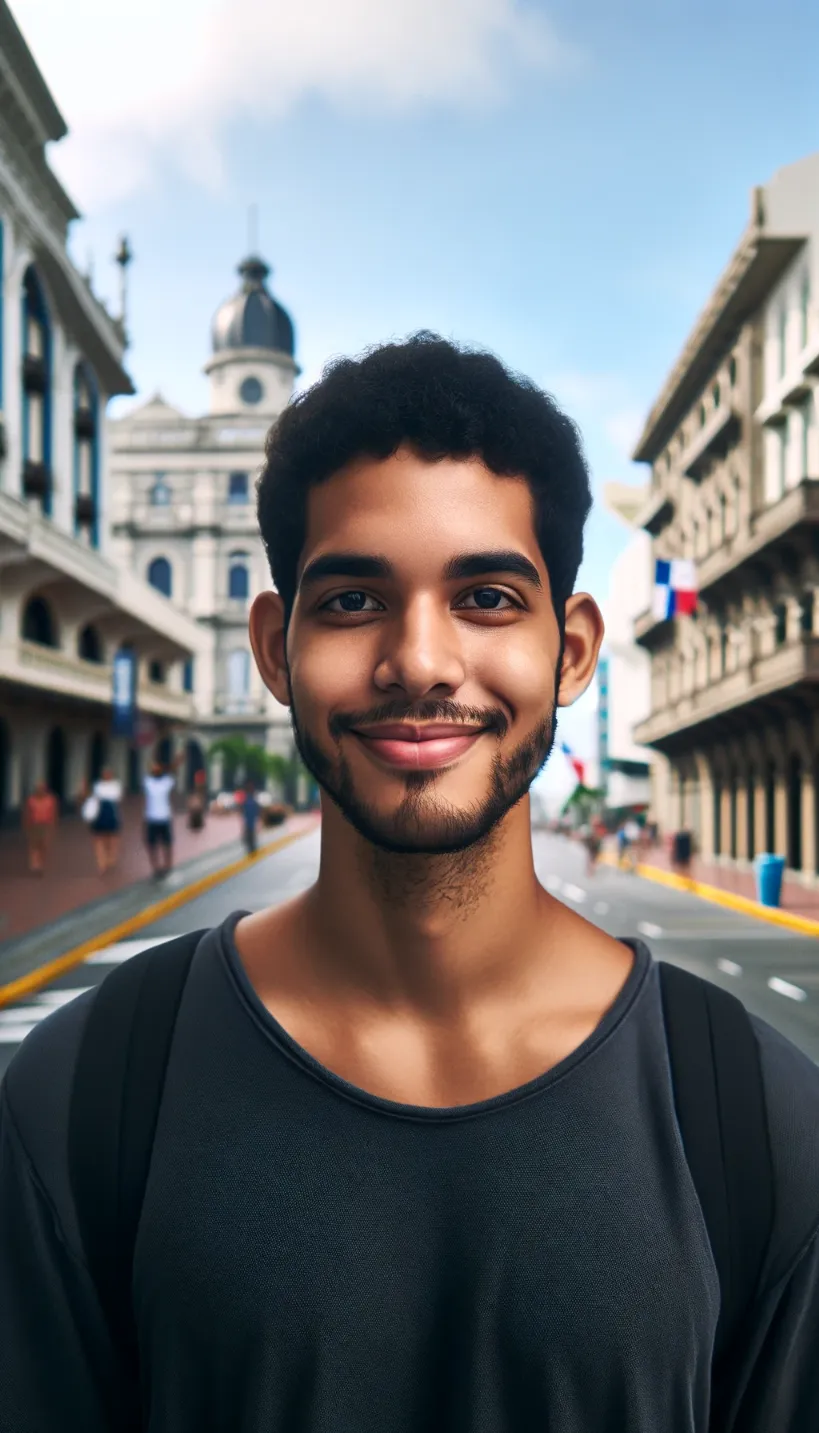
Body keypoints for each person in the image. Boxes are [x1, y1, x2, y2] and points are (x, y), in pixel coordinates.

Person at [2, 334, 819, 1430]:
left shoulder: (759, 1119)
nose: (422, 660)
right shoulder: (82, 1096)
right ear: (276, 647)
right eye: (350, 601)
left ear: (573, 650)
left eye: (486, 595)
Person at [142, 755, 180, 877]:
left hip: (164, 817)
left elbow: (174, 771)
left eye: (158, 767)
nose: (155, 769)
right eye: (154, 767)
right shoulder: (148, 782)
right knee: (152, 845)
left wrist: (176, 761)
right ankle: (155, 867)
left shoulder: (166, 781)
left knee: (167, 843)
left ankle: (168, 865)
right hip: (151, 818)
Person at [83, 766, 123, 874]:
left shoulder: (115, 786)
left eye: (108, 773)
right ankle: (101, 862)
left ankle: (110, 857)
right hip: (100, 813)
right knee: (98, 838)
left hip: (111, 813)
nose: (106, 775)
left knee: (111, 838)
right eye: (105, 774)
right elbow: (91, 799)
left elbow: (117, 800)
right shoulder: (97, 786)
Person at [21, 778, 58, 875]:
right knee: (33, 846)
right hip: (34, 825)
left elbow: (54, 813)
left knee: (43, 846)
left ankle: (41, 864)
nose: (40, 790)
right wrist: (26, 825)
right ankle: (35, 865)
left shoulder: (50, 799)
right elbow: (27, 813)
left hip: (45, 825)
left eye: (42, 788)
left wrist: (53, 825)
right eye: (38, 788)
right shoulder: (31, 800)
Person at [241, 779, 261, 855]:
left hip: (250, 824)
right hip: (250, 824)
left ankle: (252, 852)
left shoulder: (249, 800)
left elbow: (244, 812)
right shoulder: (249, 800)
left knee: (250, 840)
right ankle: (252, 851)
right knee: (250, 840)